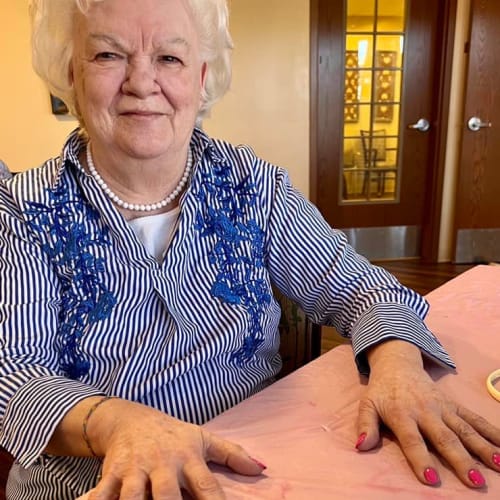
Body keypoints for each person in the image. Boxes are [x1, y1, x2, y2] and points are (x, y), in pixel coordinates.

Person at [0, 0, 498, 498]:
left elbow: (362, 288)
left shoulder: (252, 185)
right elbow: (16, 378)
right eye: (108, 55)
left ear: (200, 78)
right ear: (71, 73)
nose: (141, 82)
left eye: (169, 59)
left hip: (256, 468)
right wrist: (119, 425)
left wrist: (397, 365)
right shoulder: (23, 211)